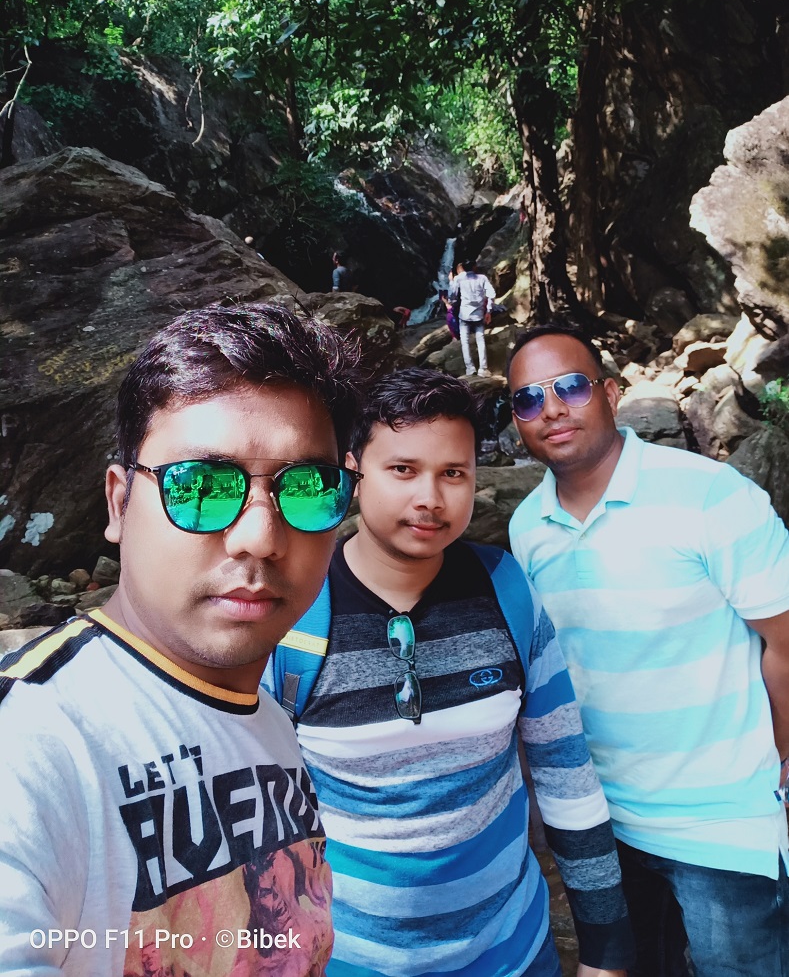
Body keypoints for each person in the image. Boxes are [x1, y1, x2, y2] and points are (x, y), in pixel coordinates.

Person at [0, 303, 364, 977]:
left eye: (308, 489)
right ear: (118, 503)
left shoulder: (270, 722)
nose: (259, 536)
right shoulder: (33, 740)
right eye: (200, 486)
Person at [265, 368, 634, 977]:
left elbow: (565, 772)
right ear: (353, 472)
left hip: (513, 953)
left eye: (453, 473)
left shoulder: (507, 590)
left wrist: (606, 948)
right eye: (403, 469)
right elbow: (257, 821)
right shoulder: (293, 614)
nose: (430, 498)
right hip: (347, 958)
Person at [507, 324, 789, 977]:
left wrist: (782, 761)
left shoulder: (711, 495)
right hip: (601, 824)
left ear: (610, 394)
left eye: (570, 387)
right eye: (527, 398)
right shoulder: (526, 528)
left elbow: (784, 639)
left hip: (723, 824)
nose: (551, 409)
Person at [450, 260, 495, 377]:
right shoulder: (482, 278)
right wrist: (488, 311)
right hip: (478, 315)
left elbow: (453, 296)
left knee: (464, 341)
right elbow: (491, 294)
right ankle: (483, 369)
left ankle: (470, 368)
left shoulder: (459, 279)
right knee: (480, 340)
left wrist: (451, 282)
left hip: (464, 314)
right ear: (474, 267)